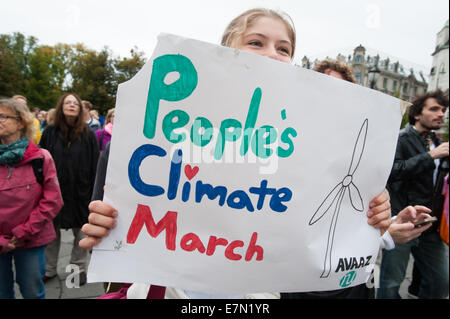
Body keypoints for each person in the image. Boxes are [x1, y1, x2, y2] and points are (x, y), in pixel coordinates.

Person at [79, 8, 392, 299]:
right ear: (226, 50)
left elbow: (324, 242)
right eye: (256, 42)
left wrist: (369, 221)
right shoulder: (163, 133)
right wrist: (108, 227)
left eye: (284, 49)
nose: (273, 54)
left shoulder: (309, 147)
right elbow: (109, 235)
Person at [377, 89, 449, 299]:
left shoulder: (438, 141)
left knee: (440, 281)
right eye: (434, 109)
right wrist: (430, 156)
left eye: (443, 110)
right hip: (404, 219)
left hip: (430, 224)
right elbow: (393, 171)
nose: (441, 114)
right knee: (390, 284)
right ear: (417, 114)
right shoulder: (401, 138)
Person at [0, 98, 63, 299]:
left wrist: (23, 232)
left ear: (20, 123)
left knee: (32, 291)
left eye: (3, 116)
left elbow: (53, 200)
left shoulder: (41, 157)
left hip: (31, 239)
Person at [39, 93, 99, 286]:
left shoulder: (88, 134)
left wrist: (94, 193)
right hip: (53, 192)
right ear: (61, 107)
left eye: (75, 103)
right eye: (68, 102)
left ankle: (78, 269)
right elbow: (40, 162)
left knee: (81, 235)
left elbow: (95, 164)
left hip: (81, 192)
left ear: (81, 109)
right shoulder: (49, 132)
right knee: (51, 234)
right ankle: (49, 269)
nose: (72, 105)